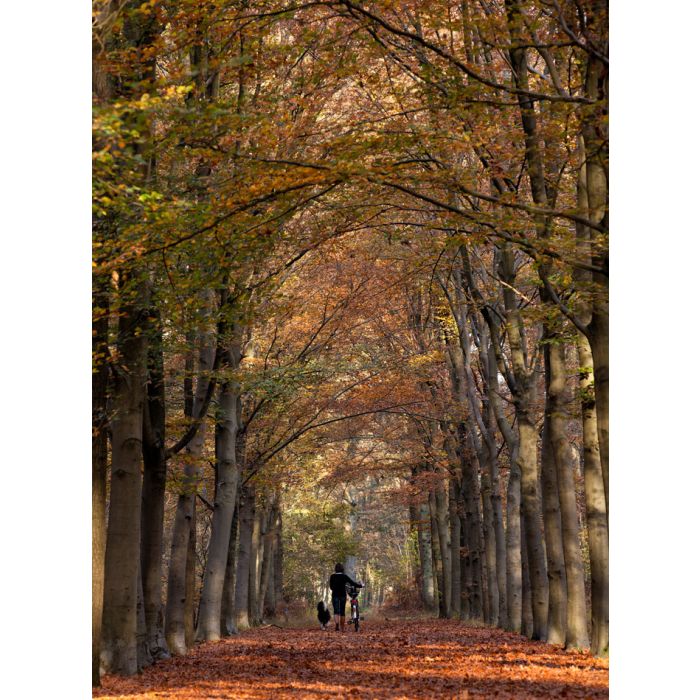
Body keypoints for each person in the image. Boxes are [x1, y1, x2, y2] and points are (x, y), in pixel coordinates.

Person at [329, 563, 363, 632]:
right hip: (342, 595)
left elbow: (331, 587)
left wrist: (335, 588)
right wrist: (360, 586)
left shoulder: (332, 576)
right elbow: (352, 583)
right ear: (342, 569)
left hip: (335, 595)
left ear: (335, 569)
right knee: (342, 612)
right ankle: (342, 628)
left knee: (336, 611)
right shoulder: (344, 576)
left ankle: (337, 625)